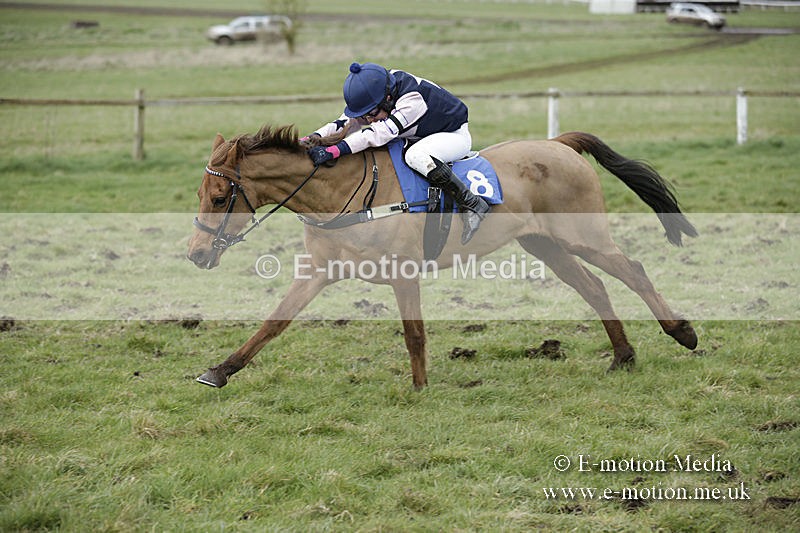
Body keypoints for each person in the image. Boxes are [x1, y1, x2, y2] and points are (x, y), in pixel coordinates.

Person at [304, 62, 489, 245]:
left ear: (389, 98)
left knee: (415, 156)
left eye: (373, 114)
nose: (369, 120)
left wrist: (335, 150)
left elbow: (378, 133)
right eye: (366, 115)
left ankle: (472, 203)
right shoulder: (379, 88)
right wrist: (312, 138)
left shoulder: (412, 101)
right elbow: (345, 122)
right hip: (422, 134)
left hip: (453, 135)